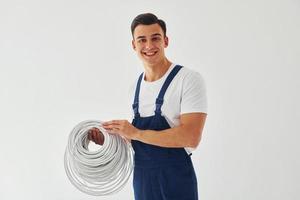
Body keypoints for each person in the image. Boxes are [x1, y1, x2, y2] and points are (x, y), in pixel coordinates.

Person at [88, 13, 207, 200]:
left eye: (155, 38)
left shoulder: (188, 79)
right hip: (143, 180)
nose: (149, 46)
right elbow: (139, 141)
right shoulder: (134, 88)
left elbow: (191, 137)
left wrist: (135, 133)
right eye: (142, 40)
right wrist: (110, 139)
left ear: (166, 41)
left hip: (176, 180)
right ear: (133, 45)